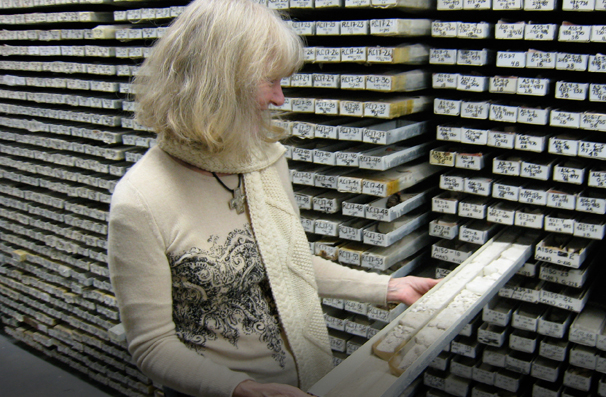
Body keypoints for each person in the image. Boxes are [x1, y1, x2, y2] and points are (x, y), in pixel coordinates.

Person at [106, 0, 439, 396]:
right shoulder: (139, 201)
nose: (280, 99)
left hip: (305, 380)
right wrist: (243, 389)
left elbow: (288, 261)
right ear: (221, 83)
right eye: (271, 81)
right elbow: (151, 344)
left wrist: (385, 288)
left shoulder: (262, 160)